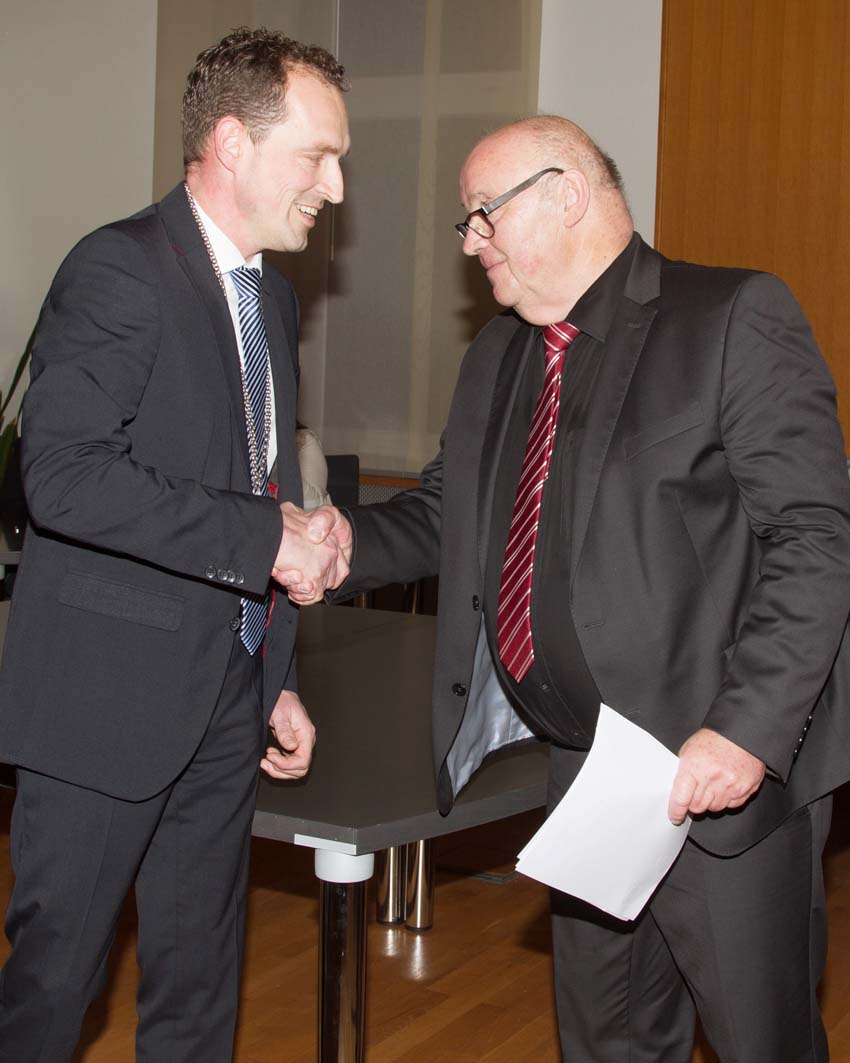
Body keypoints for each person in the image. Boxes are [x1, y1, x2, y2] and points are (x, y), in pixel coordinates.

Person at [303, 115, 850, 1061]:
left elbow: (816, 539)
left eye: (483, 213)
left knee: (763, 1043)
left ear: (566, 194)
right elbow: (449, 514)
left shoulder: (729, 317)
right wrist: (341, 545)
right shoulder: (498, 356)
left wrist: (747, 731)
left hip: (719, 774)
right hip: (588, 778)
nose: (469, 241)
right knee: (606, 1043)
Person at [0, 28, 351, 1063]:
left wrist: (275, 675)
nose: (335, 188)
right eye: (317, 156)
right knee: (52, 993)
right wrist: (269, 536)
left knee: (198, 999)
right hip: (102, 708)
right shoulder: (119, 268)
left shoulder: (272, 296)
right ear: (233, 144)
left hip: (225, 703)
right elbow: (63, 475)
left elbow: (254, 486)